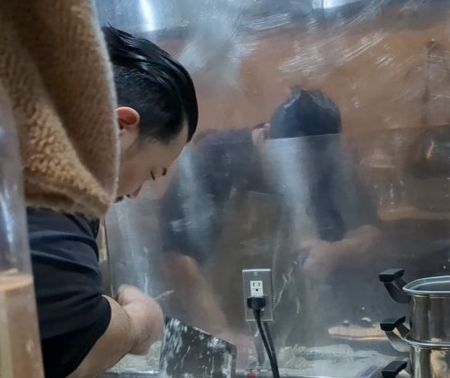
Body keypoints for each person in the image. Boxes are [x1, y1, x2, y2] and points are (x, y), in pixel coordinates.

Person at [29, 26, 199, 378]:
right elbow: (73, 338)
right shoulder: (46, 182)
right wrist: (140, 320)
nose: (137, 192)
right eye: (153, 171)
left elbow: (23, 342)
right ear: (122, 126)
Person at [159, 88, 381, 358]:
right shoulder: (214, 157)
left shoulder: (333, 164)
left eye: (314, 171)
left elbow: (369, 233)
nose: (303, 179)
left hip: (297, 337)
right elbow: (176, 256)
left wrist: (335, 251)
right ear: (266, 136)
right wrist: (219, 331)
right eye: (294, 166)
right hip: (211, 326)